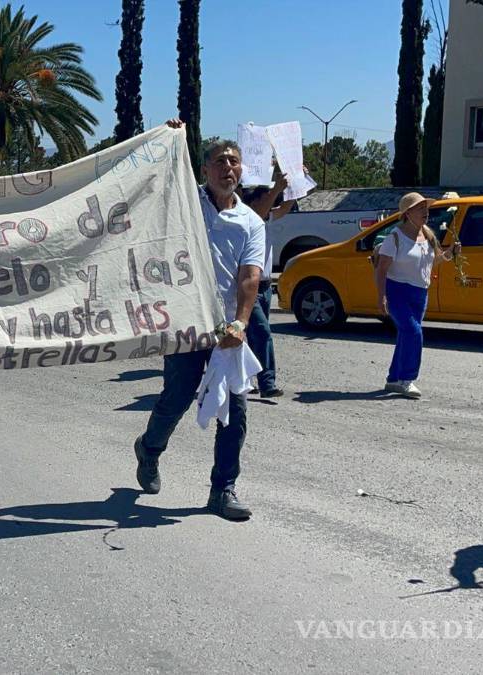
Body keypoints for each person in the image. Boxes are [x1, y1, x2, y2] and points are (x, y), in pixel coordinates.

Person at [133, 123, 264, 521]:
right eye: (219, 161)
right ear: (204, 170)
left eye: (234, 162)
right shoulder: (187, 202)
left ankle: (222, 489)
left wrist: (240, 324)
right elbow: (158, 181)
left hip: (227, 329)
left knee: (235, 409)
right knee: (177, 395)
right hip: (187, 323)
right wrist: (173, 140)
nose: (228, 167)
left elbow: (250, 277)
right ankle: (150, 449)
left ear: (241, 171)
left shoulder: (251, 222)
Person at [374, 192, 460, 399]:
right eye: (420, 208)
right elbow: (381, 269)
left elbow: (434, 261)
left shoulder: (428, 234)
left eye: (426, 207)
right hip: (397, 291)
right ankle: (407, 379)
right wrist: (381, 296)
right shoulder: (394, 238)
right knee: (414, 333)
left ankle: (394, 379)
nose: (425, 212)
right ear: (407, 213)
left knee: (406, 334)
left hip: (420, 292)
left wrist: (450, 254)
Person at [240, 173, 295, 399]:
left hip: (265, 287)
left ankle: (243, 378)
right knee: (262, 333)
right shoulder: (246, 218)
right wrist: (277, 186)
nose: (273, 204)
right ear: (253, 203)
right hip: (247, 286)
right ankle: (267, 383)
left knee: (252, 336)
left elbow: (286, 206)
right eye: (268, 199)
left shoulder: (267, 217)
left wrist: (297, 182)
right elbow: (264, 209)